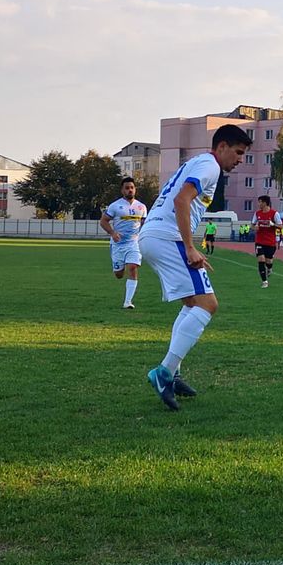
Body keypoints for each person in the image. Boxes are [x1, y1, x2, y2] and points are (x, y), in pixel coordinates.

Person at [138, 124, 253, 410]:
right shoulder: (210, 166)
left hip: (154, 235)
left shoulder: (198, 162)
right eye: (238, 153)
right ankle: (164, 372)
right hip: (168, 237)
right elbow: (181, 199)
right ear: (222, 146)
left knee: (192, 302)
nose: (239, 160)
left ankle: (173, 373)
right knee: (207, 304)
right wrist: (190, 247)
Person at [100, 177, 147, 309]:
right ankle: (119, 267)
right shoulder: (115, 206)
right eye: (127, 188)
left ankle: (128, 302)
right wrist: (113, 233)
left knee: (132, 268)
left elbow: (144, 224)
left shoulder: (141, 207)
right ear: (122, 190)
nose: (130, 190)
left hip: (133, 243)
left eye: (132, 187)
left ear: (135, 189)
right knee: (119, 275)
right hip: (118, 245)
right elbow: (103, 221)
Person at [252, 195, 283, 288]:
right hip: (259, 241)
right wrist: (255, 227)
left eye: (260, 202)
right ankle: (264, 281)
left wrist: (273, 224)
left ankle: (269, 268)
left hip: (270, 242)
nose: (259, 204)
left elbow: (281, 226)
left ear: (265, 203)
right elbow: (252, 225)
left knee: (268, 261)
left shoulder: (274, 214)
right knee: (261, 259)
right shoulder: (257, 213)